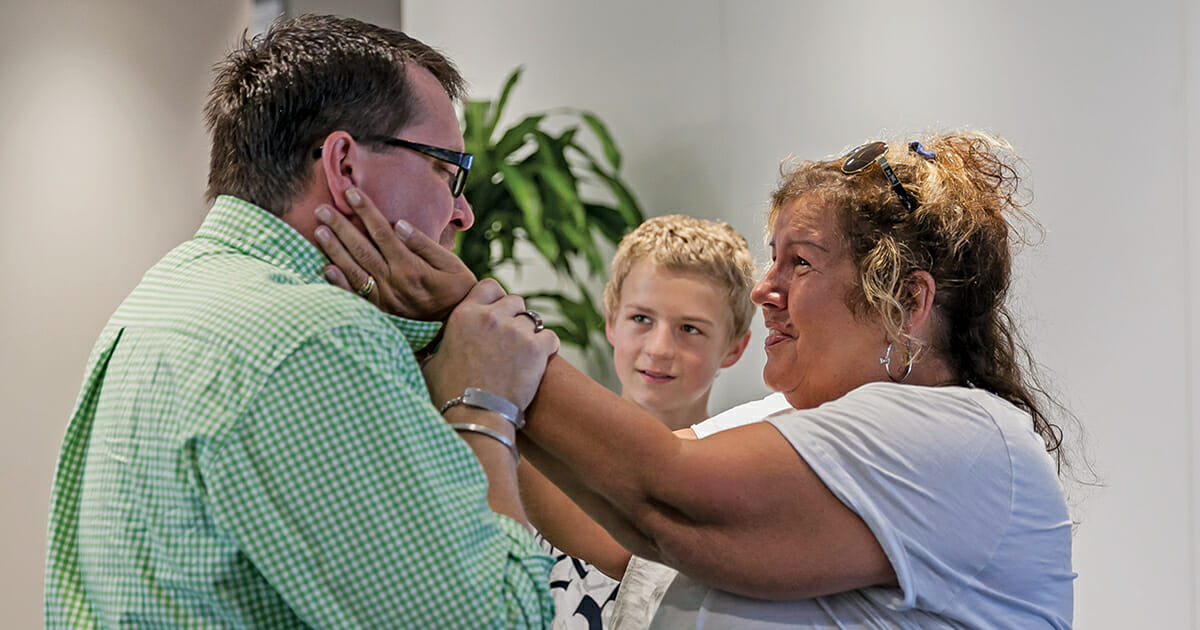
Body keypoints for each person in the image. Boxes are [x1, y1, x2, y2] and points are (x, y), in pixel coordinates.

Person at [329, 130, 1076, 628]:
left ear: (907, 302)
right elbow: (609, 520)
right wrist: (433, 338)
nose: (765, 287)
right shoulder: (783, 423)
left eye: (801, 262)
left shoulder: (963, 436)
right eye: (772, 257)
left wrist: (471, 322)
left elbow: (664, 494)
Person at [44, 14, 558, 629]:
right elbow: (491, 623)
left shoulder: (168, 293)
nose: (464, 213)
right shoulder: (317, 339)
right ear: (345, 167)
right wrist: (485, 408)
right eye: (446, 171)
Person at [522, 215, 756, 629]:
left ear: (735, 347)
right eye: (641, 319)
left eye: (690, 329)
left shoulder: (738, 481)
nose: (660, 348)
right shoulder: (539, 459)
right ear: (610, 320)